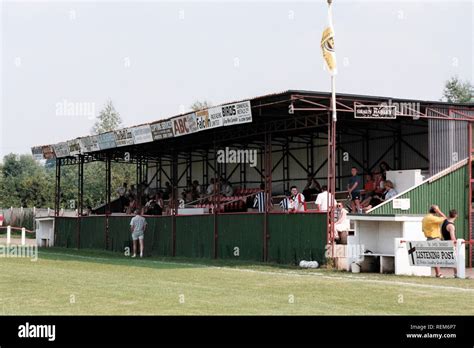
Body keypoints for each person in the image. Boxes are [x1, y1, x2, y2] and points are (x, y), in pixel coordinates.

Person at [422, 205, 447, 278]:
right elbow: (445, 218)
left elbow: (422, 229)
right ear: (435, 211)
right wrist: (439, 211)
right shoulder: (432, 218)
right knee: (437, 256)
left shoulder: (425, 218)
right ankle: (438, 273)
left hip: (429, 238)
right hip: (434, 238)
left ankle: (438, 273)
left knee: (434, 256)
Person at [441, 209, 458, 278]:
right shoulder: (451, 226)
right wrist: (456, 244)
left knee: (452, 260)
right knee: (455, 259)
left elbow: (443, 216)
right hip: (450, 243)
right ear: (456, 216)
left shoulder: (445, 221)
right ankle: (456, 274)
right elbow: (453, 237)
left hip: (445, 242)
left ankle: (456, 273)